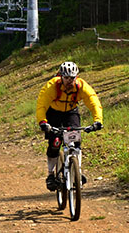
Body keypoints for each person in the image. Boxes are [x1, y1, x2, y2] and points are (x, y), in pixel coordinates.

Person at [36, 61, 103, 191]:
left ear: (76, 77)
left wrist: (98, 121)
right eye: (66, 78)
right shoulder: (52, 86)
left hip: (71, 113)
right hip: (54, 113)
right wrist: (43, 122)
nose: (69, 81)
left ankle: (77, 171)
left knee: (75, 142)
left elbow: (93, 101)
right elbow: (41, 104)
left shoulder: (81, 86)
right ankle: (51, 174)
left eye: (72, 78)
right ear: (61, 77)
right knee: (55, 143)